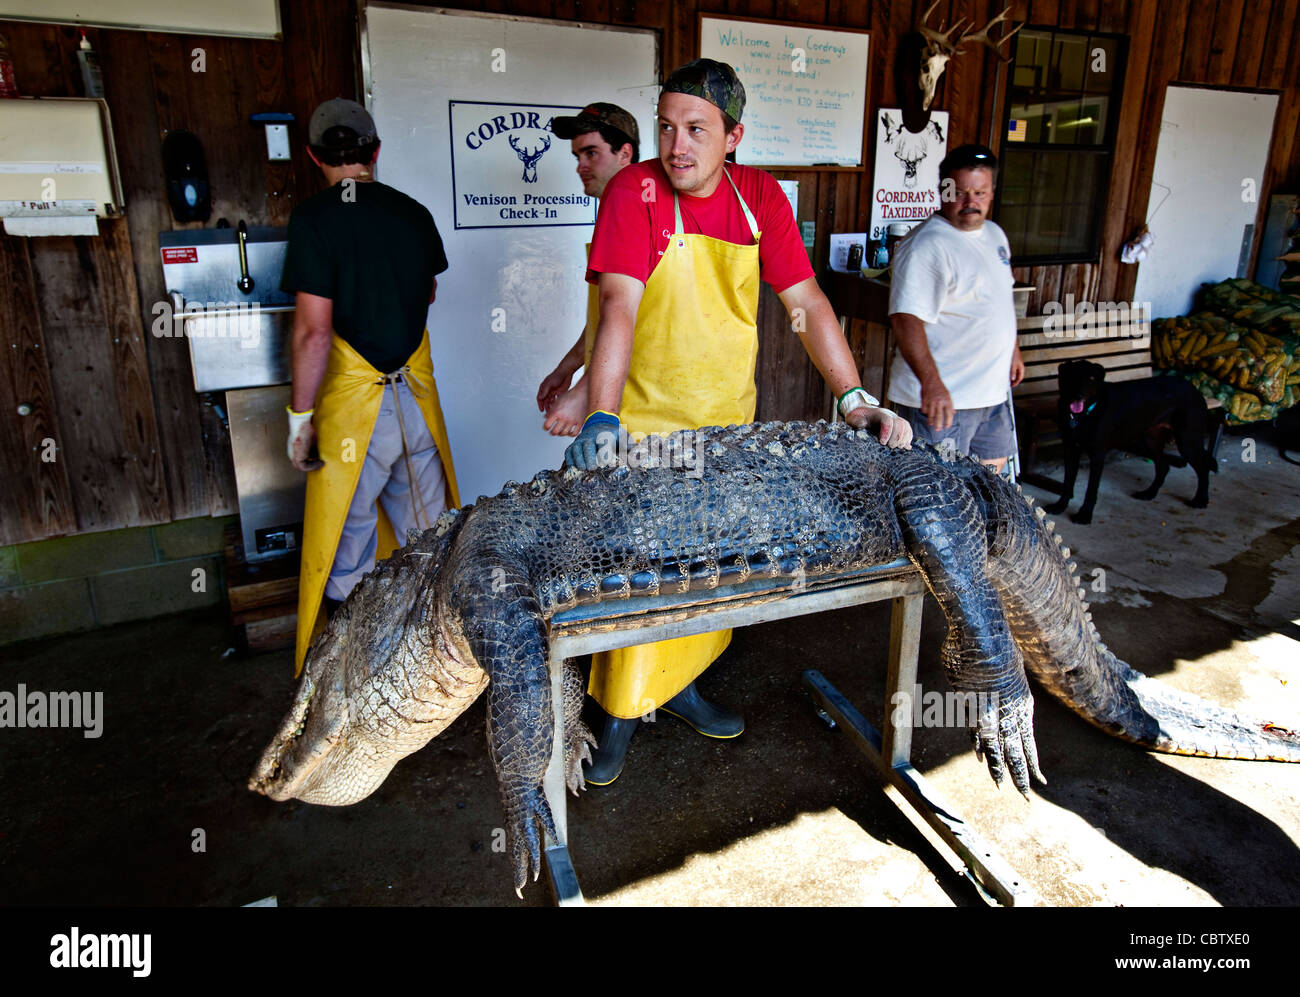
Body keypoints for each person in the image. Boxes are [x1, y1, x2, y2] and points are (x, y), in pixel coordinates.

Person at [565, 59, 913, 784]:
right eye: (666, 127)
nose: (677, 144)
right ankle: (621, 713)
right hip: (650, 427)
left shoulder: (759, 199)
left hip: (729, 425)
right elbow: (619, 308)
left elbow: (809, 302)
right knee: (645, 574)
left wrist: (853, 398)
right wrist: (600, 412)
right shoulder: (637, 192)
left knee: (711, 572)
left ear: (734, 137)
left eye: (696, 129)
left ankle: (682, 686)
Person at [282, 98, 461, 676]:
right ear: (375, 153)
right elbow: (427, 293)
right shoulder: (412, 212)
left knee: (349, 547)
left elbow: (313, 333)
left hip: (354, 412)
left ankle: (355, 678)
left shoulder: (313, 220)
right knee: (427, 542)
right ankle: (429, 671)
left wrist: (298, 417)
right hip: (415, 401)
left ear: (314, 157)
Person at [887, 144, 1025, 472]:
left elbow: (1000, 299)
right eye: (959, 192)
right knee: (936, 498)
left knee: (990, 488)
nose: (970, 202)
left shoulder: (994, 235)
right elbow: (906, 320)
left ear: (992, 192)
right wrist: (931, 383)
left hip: (991, 393)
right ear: (942, 190)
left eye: (979, 192)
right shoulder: (926, 245)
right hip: (942, 402)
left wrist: (1013, 349)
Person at [535, 102, 639, 436]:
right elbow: (604, 315)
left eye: (591, 153)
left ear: (625, 153)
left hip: (641, 412)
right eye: (577, 156)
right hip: (614, 408)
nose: (580, 166)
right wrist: (566, 369)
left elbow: (639, 319)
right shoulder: (611, 213)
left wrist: (583, 392)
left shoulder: (641, 213)